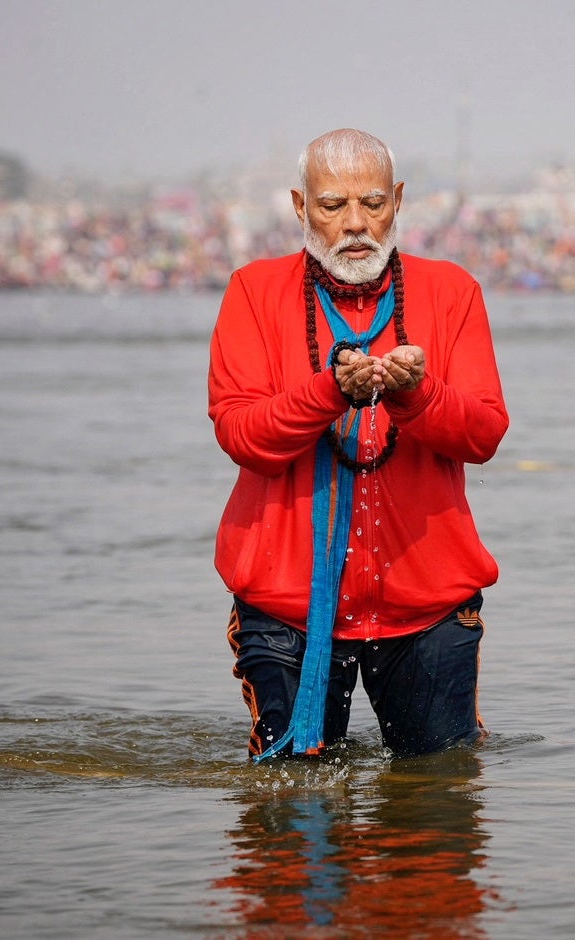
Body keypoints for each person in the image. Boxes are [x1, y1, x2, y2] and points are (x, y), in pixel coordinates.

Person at [208, 128, 508, 760]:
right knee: (291, 821)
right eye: (332, 205)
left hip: (429, 606)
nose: (354, 224)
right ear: (299, 207)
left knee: (438, 808)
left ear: (398, 201)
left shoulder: (452, 292)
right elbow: (241, 435)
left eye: (372, 204)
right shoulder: (253, 293)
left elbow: (484, 434)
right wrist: (326, 393)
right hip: (284, 605)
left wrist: (417, 396)